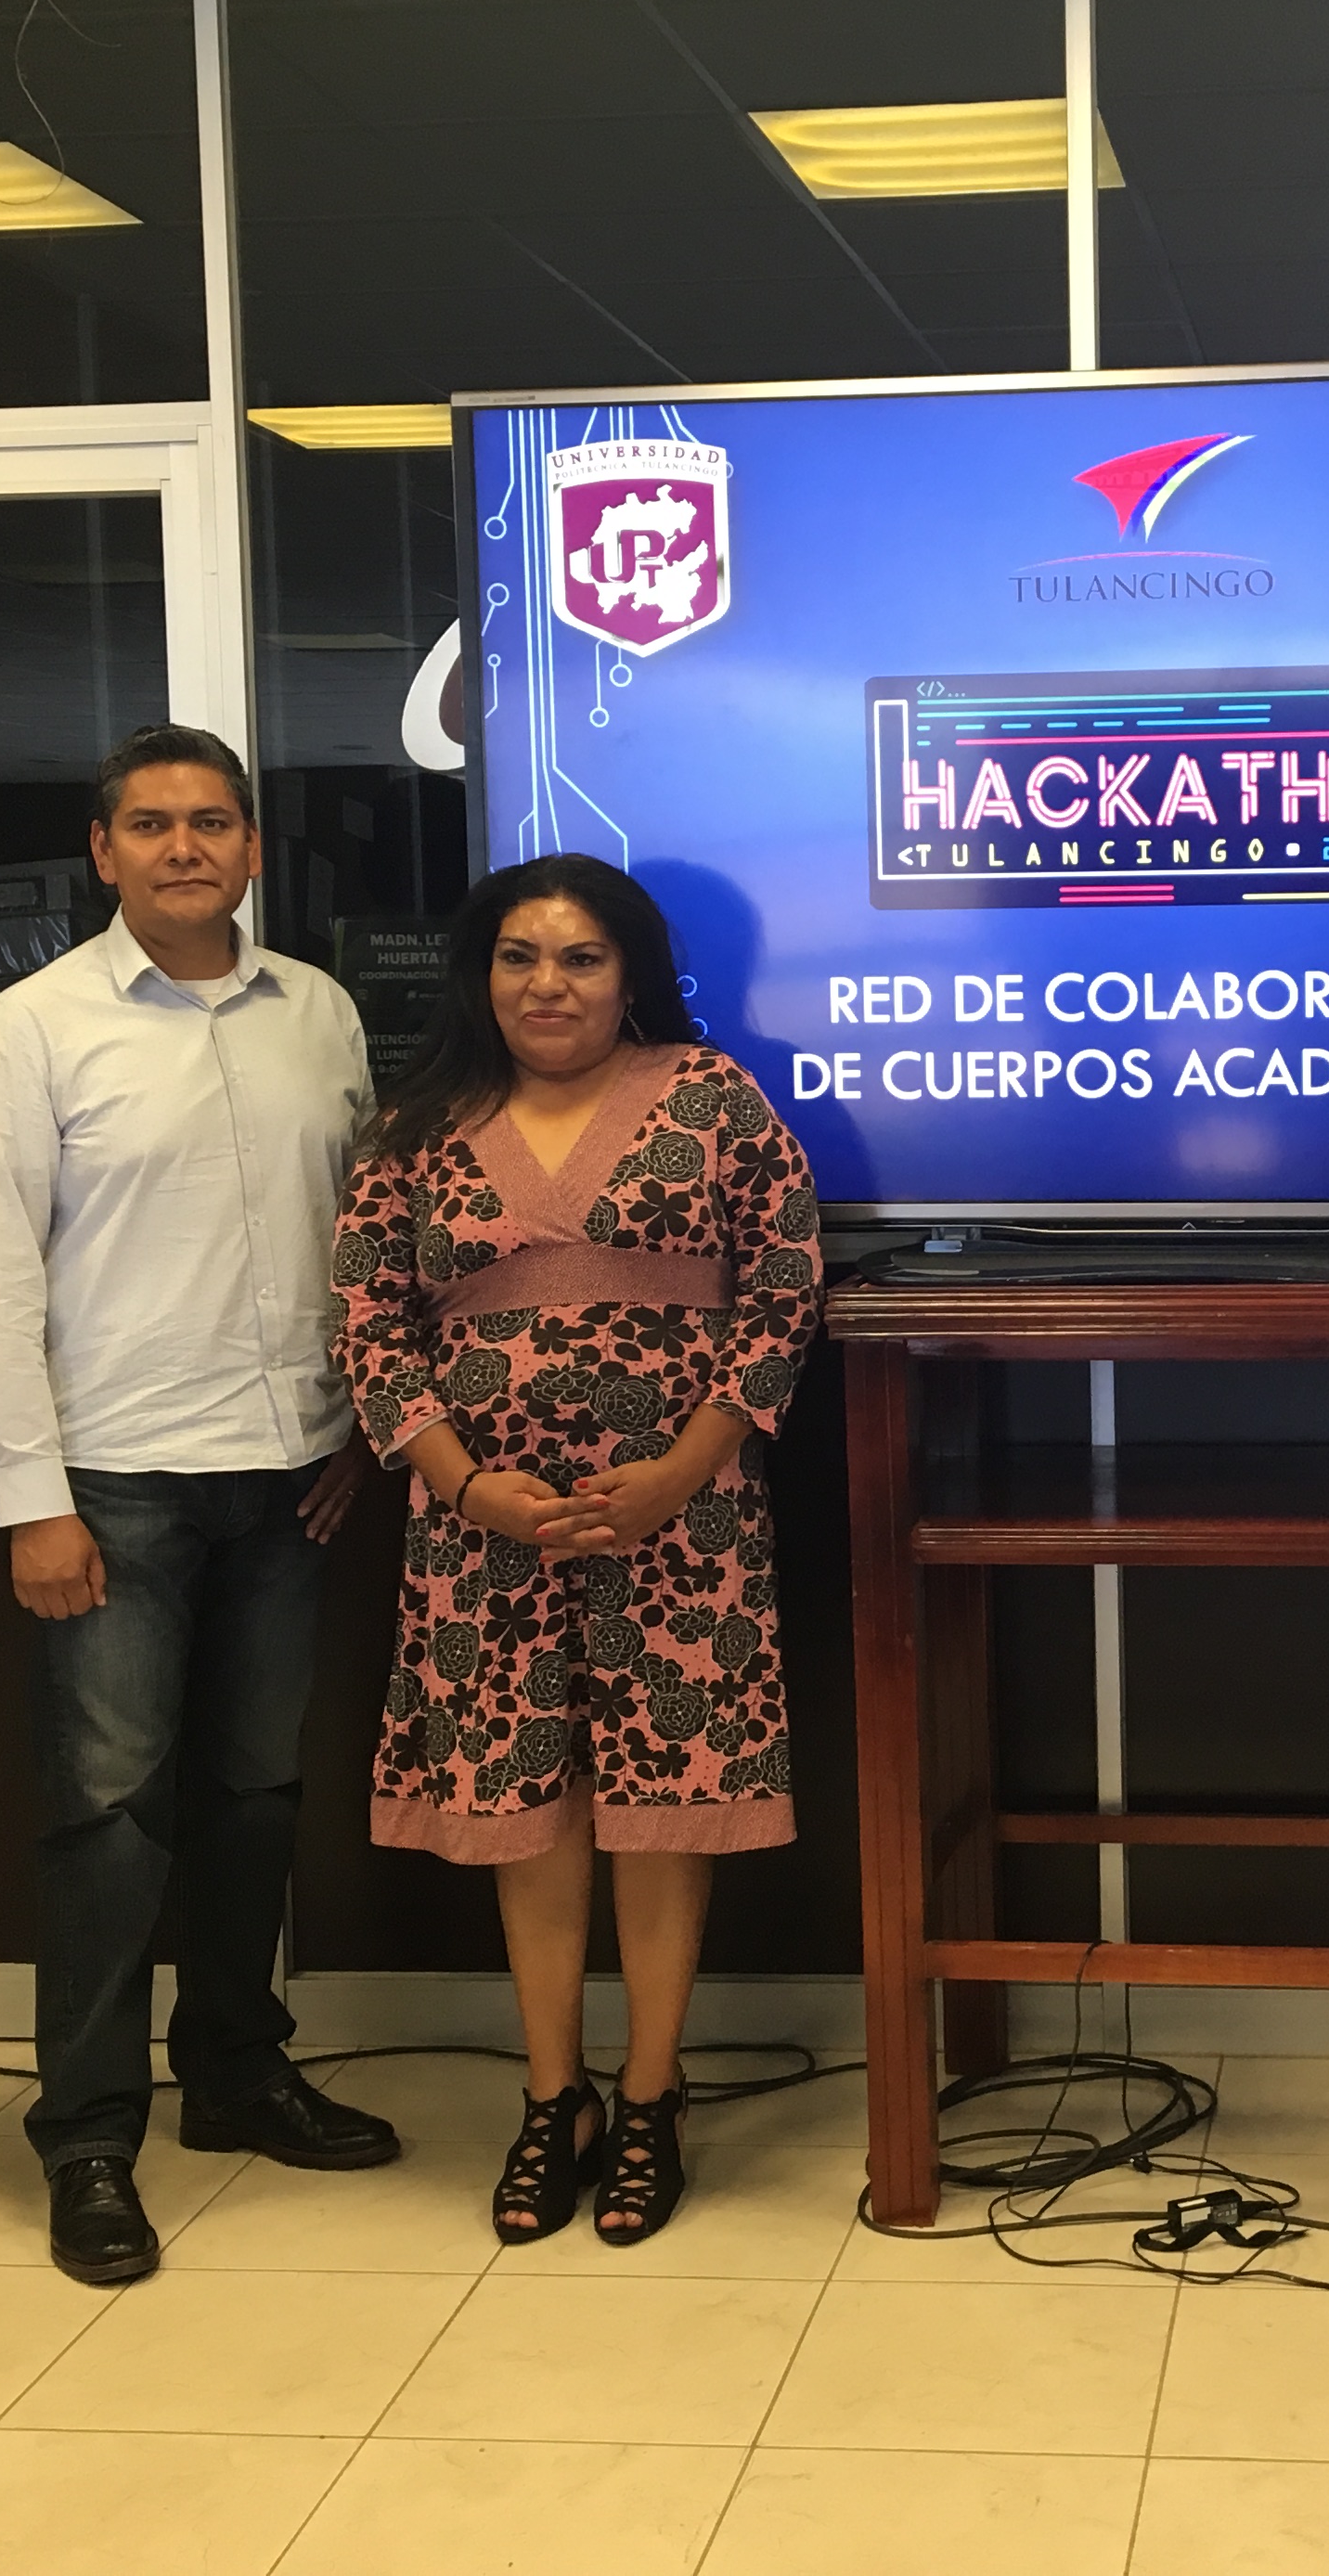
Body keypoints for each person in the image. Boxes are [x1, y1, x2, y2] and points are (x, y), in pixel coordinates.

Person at [0, 723, 398, 2286]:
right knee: (106, 1818)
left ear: (254, 849)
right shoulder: (34, 1026)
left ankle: (234, 2071)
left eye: (213, 822)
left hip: (292, 1472)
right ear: (104, 852)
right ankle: (87, 2135)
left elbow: (361, 1237)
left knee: (255, 1795)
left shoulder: (320, 1013)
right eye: (151, 824)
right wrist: (31, 1496)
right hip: (114, 1480)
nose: (185, 848)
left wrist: (362, 1427)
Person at [330, 854, 822, 2247]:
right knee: (529, 1815)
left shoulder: (712, 1101)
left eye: (582, 958)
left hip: (682, 1522)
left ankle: (653, 2094)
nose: (548, 985)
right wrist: (463, 1483)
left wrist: (679, 1470)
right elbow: (370, 1323)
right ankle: (558, 2098)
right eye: (520, 957)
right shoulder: (415, 1125)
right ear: (481, 974)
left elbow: (782, 1292)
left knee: (661, 1811)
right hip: (486, 1531)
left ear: (631, 973)